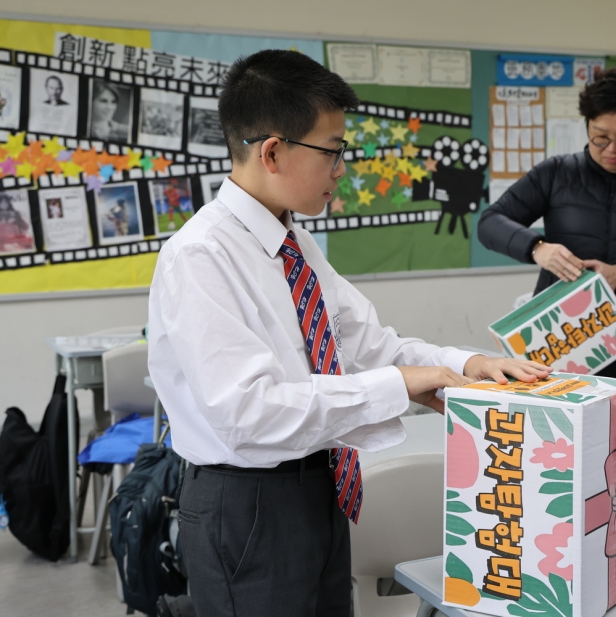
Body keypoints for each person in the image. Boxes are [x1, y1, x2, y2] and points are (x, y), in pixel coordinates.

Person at [146, 49, 549, 617]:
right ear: (272, 152)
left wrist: (465, 364)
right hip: (248, 503)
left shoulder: (296, 245)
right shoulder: (200, 256)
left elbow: (370, 347)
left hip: (320, 484)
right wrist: (402, 385)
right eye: (332, 152)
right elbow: (249, 413)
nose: (341, 170)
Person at [477, 68, 616, 395]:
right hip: (556, 345)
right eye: (600, 137)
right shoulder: (556, 173)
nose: (612, 149)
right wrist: (538, 248)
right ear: (587, 126)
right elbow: (490, 222)